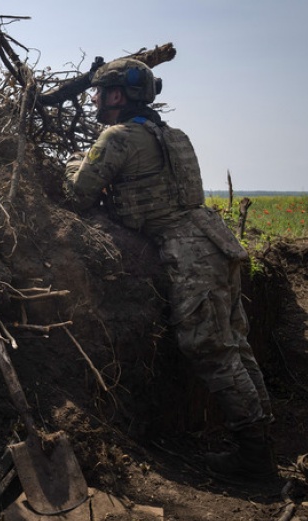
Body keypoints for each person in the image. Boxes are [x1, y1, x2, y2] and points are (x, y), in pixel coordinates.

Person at [62, 59, 276, 481]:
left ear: (118, 96)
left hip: (191, 253)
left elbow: (76, 195)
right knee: (234, 344)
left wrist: (73, 163)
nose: (94, 99)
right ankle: (262, 446)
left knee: (210, 348)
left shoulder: (118, 136)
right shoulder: (171, 134)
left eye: (100, 91)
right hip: (215, 241)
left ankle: (255, 461)